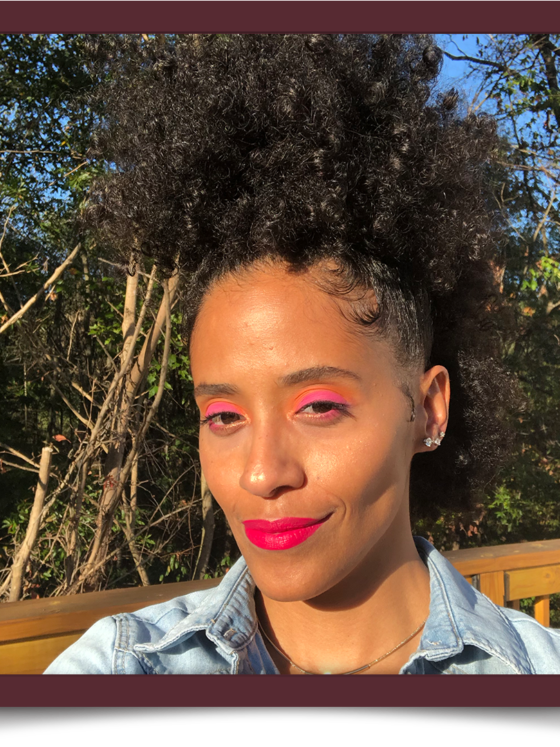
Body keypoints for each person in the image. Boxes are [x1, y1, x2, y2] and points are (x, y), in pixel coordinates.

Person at [45, 33, 560, 674]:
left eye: (318, 406)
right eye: (223, 416)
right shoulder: (124, 665)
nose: (262, 474)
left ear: (428, 410)